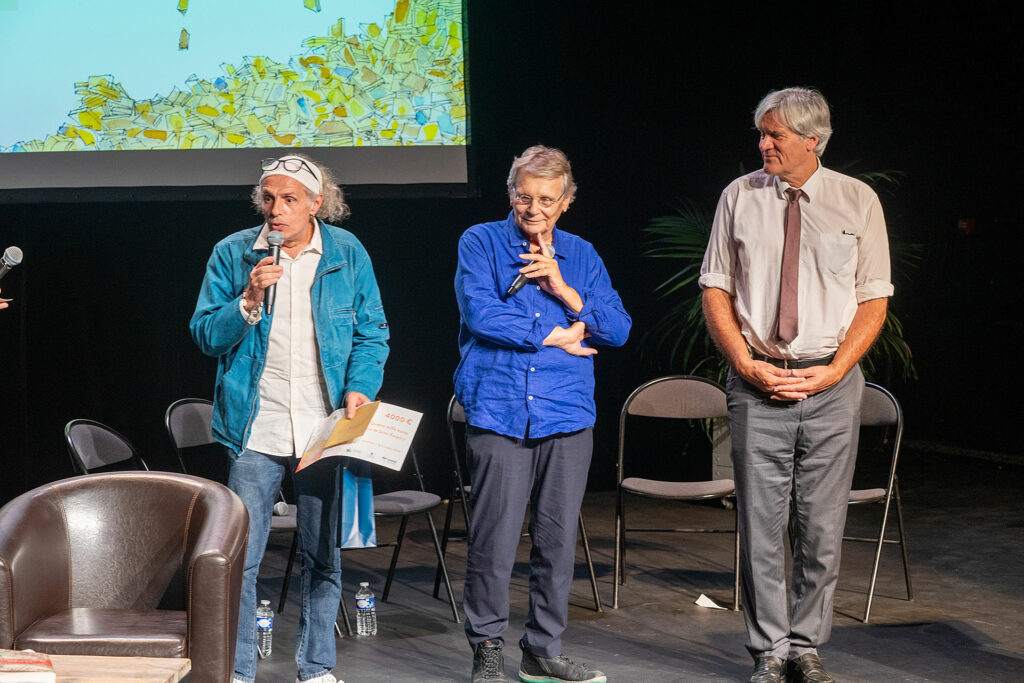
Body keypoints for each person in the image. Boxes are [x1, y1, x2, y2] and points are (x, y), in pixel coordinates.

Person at [699, 88, 892, 683]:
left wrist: (835, 370)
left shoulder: (857, 200)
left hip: (831, 383)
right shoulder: (739, 196)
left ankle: (807, 648)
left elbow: (874, 298)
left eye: (775, 135)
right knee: (760, 525)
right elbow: (715, 289)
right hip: (757, 379)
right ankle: (769, 651)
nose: (763, 145)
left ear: (813, 139)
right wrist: (745, 363)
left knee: (821, 526)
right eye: (761, 134)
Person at [190, 153, 389, 683]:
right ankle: (236, 671)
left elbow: (372, 332)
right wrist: (250, 296)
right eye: (268, 199)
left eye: (289, 200)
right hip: (256, 429)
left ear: (316, 203)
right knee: (243, 559)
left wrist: (359, 387)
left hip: (323, 430)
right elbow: (206, 335)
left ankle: (317, 668)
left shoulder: (347, 253)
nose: (276, 210)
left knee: (323, 555)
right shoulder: (234, 253)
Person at [454, 145, 630, 683]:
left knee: (556, 541)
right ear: (512, 195)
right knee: (494, 540)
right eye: (525, 196)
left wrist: (563, 290)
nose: (534, 208)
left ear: (566, 203)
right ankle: (487, 646)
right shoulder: (480, 242)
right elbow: (482, 315)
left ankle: (542, 651)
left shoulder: (581, 254)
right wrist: (558, 334)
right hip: (499, 407)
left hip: (567, 414)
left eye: (547, 200)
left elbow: (616, 328)